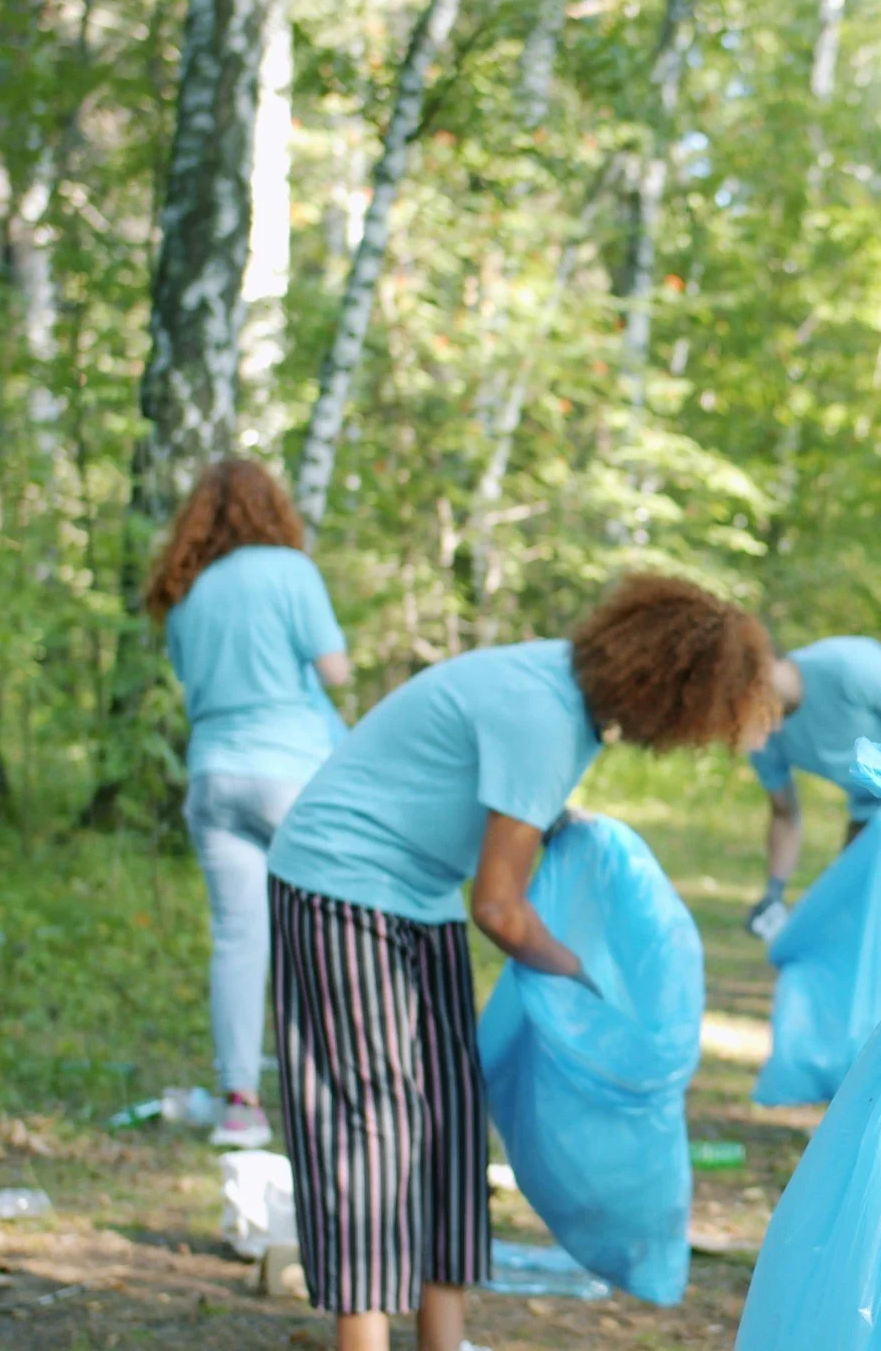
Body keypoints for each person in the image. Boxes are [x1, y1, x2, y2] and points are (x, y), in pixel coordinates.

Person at [263, 574, 779, 1351]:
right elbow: (500, 909)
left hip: (416, 893)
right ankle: (362, 1339)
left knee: (449, 1118)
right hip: (339, 884)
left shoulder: (560, 695)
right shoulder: (543, 714)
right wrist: (578, 974)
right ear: (673, 697)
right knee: (375, 1121)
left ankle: (443, 1339)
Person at [146, 458, 351, 1151]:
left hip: (214, 777)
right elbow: (335, 671)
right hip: (293, 773)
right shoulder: (290, 571)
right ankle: (329, 1092)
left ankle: (240, 1105)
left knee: (238, 938)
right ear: (272, 507)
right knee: (320, 933)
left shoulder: (186, 588)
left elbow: (190, 678)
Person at [744, 636, 881, 938]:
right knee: (852, 929)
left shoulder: (843, 667)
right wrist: (774, 893)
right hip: (872, 816)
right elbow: (784, 814)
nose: (768, 730)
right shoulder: (760, 732)